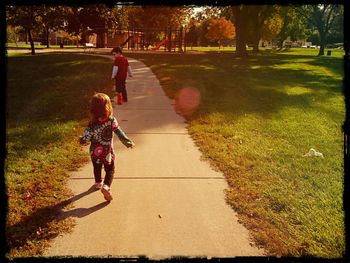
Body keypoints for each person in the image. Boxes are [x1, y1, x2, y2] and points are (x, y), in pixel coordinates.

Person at [79, 93, 135, 201]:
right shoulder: (111, 120)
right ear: (108, 107)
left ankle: (98, 183)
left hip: (95, 152)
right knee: (110, 170)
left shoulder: (92, 123)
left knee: (97, 166)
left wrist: (82, 140)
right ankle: (106, 186)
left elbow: (86, 137)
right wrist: (128, 142)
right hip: (107, 152)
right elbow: (119, 132)